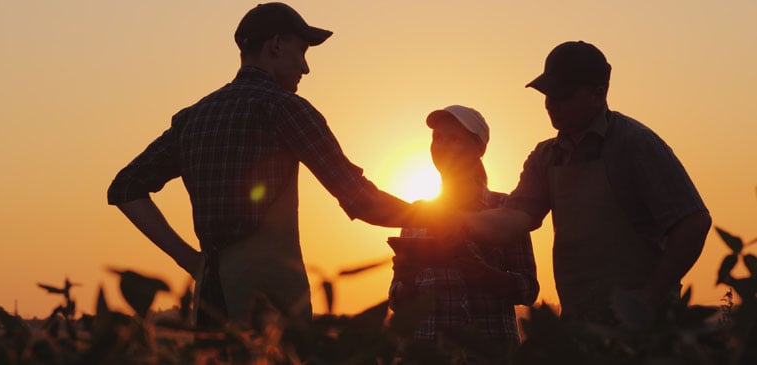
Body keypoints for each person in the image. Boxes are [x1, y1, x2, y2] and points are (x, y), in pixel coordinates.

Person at [107, 2, 437, 330]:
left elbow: (125, 188)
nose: (305, 68)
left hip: (209, 301)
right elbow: (361, 201)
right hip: (271, 310)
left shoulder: (194, 118)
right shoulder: (284, 108)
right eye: (302, 51)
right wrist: (441, 220)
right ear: (276, 45)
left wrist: (191, 261)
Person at [453, 41, 711, 327]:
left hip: (646, 331)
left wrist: (649, 298)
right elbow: (515, 217)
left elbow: (694, 223)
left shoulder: (635, 144)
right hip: (580, 328)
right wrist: (456, 221)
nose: (551, 103)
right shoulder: (546, 156)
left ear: (598, 93)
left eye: (562, 94)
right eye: (547, 94)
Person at [388, 106, 539, 363]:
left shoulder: (506, 209)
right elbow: (396, 300)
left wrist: (483, 273)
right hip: (428, 353)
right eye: (437, 138)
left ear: (479, 149)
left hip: (491, 353)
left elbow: (528, 290)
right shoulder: (416, 215)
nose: (443, 146)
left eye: (454, 138)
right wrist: (407, 278)